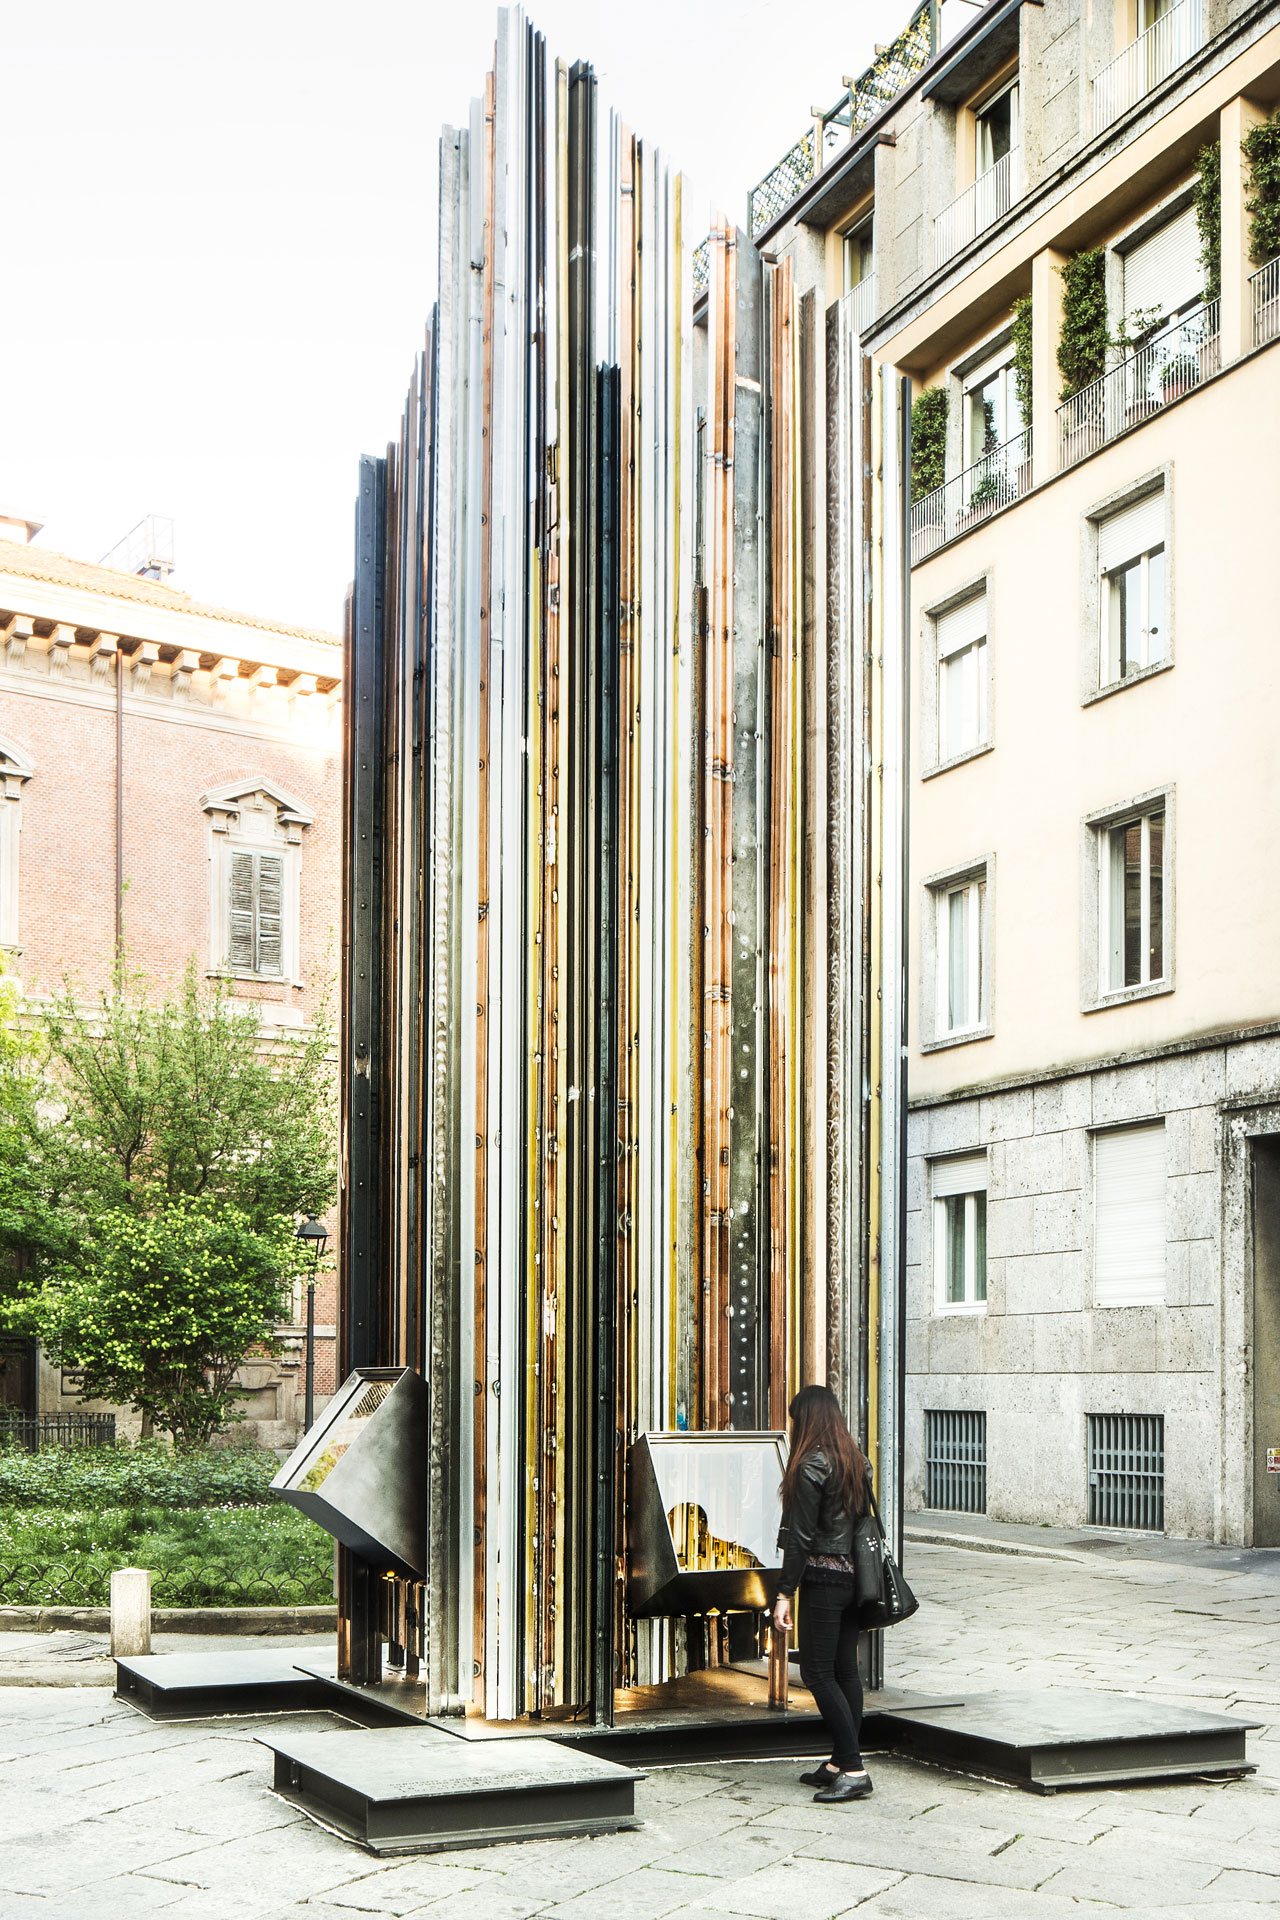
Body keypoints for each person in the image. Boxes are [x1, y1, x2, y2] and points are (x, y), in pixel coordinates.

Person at [773, 1383, 873, 1803]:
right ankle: (837, 1762)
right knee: (844, 1670)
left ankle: (853, 1767)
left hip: (823, 1579)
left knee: (816, 1672)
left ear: (806, 1421)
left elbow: (800, 1537)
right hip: (854, 1579)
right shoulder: (857, 1460)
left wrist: (784, 1594)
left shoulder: (810, 1464)